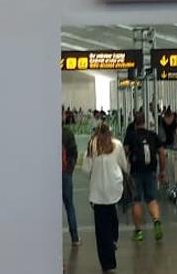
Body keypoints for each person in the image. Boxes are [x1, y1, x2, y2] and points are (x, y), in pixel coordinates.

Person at [84, 123, 128, 272]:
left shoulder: (92, 145)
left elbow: (85, 169)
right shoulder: (117, 145)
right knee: (112, 219)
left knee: (101, 230)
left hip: (97, 192)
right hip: (113, 189)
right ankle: (114, 240)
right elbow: (124, 165)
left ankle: (107, 264)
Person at [124, 112, 166, 242]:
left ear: (134, 123)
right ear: (144, 122)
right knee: (152, 199)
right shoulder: (152, 135)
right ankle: (157, 221)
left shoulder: (130, 136)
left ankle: (138, 232)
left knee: (136, 201)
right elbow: (162, 153)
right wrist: (162, 170)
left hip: (136, 171)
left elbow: (124, 153)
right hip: (151, 171)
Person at [62, 111, 81, 246]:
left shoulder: (44, 132)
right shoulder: (67, 133)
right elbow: (74, 152)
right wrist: (70, 170)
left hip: (49, 176)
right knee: (69, 206)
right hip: (65, 173)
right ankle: (74, 237)